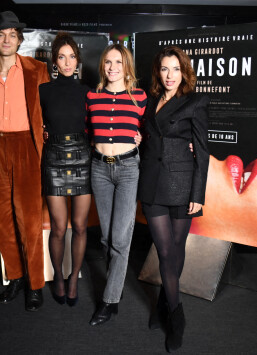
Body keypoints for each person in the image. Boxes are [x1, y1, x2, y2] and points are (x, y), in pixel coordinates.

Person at [137, 45, 209, 352]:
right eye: (165, 69)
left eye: (176, 69)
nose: (170, 75)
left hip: (182, 184)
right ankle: (174, 310)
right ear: (158, 71)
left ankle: (169, 310)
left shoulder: (195, 101)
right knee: (165, 251)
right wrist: (141, 140)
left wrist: (198, 194)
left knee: (175, 249)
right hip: (152, 184)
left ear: (184, 71)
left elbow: (202, 151)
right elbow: (149, 139)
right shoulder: (150, 100)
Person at [0, 11, 50, 311]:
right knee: (3, 221)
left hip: (27, 146)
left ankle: (35, 284)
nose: (6, 40)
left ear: (19, 39)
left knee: (29, 220)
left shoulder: (37, 69)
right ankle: (15, 277)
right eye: (0, 34)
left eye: (12, 35)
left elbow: (51, 109)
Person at [87, 44, 147, 326]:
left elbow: (149, 129)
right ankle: (115, 289)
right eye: (108, 62)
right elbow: (88, 130)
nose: (112, 68)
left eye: (118, 63)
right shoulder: (92, 96)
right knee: (106, 238)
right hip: (99, 169)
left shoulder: (139, 97)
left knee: (121, 240)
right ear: (103, 66)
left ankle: (109, 301)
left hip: (128, 170)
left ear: (127, 67)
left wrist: (141, 138)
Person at [39, 32, 91, 307]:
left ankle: (73, 279)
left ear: (77, 60)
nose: (67, 62)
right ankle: (58, 276)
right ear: (54, 61)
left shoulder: (88, 91)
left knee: (80, 226)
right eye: (62, 56)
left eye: (72, 56)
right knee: (59, 228)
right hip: (54, 159)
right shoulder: (43, 91)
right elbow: (34, 125)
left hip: (83, 157)